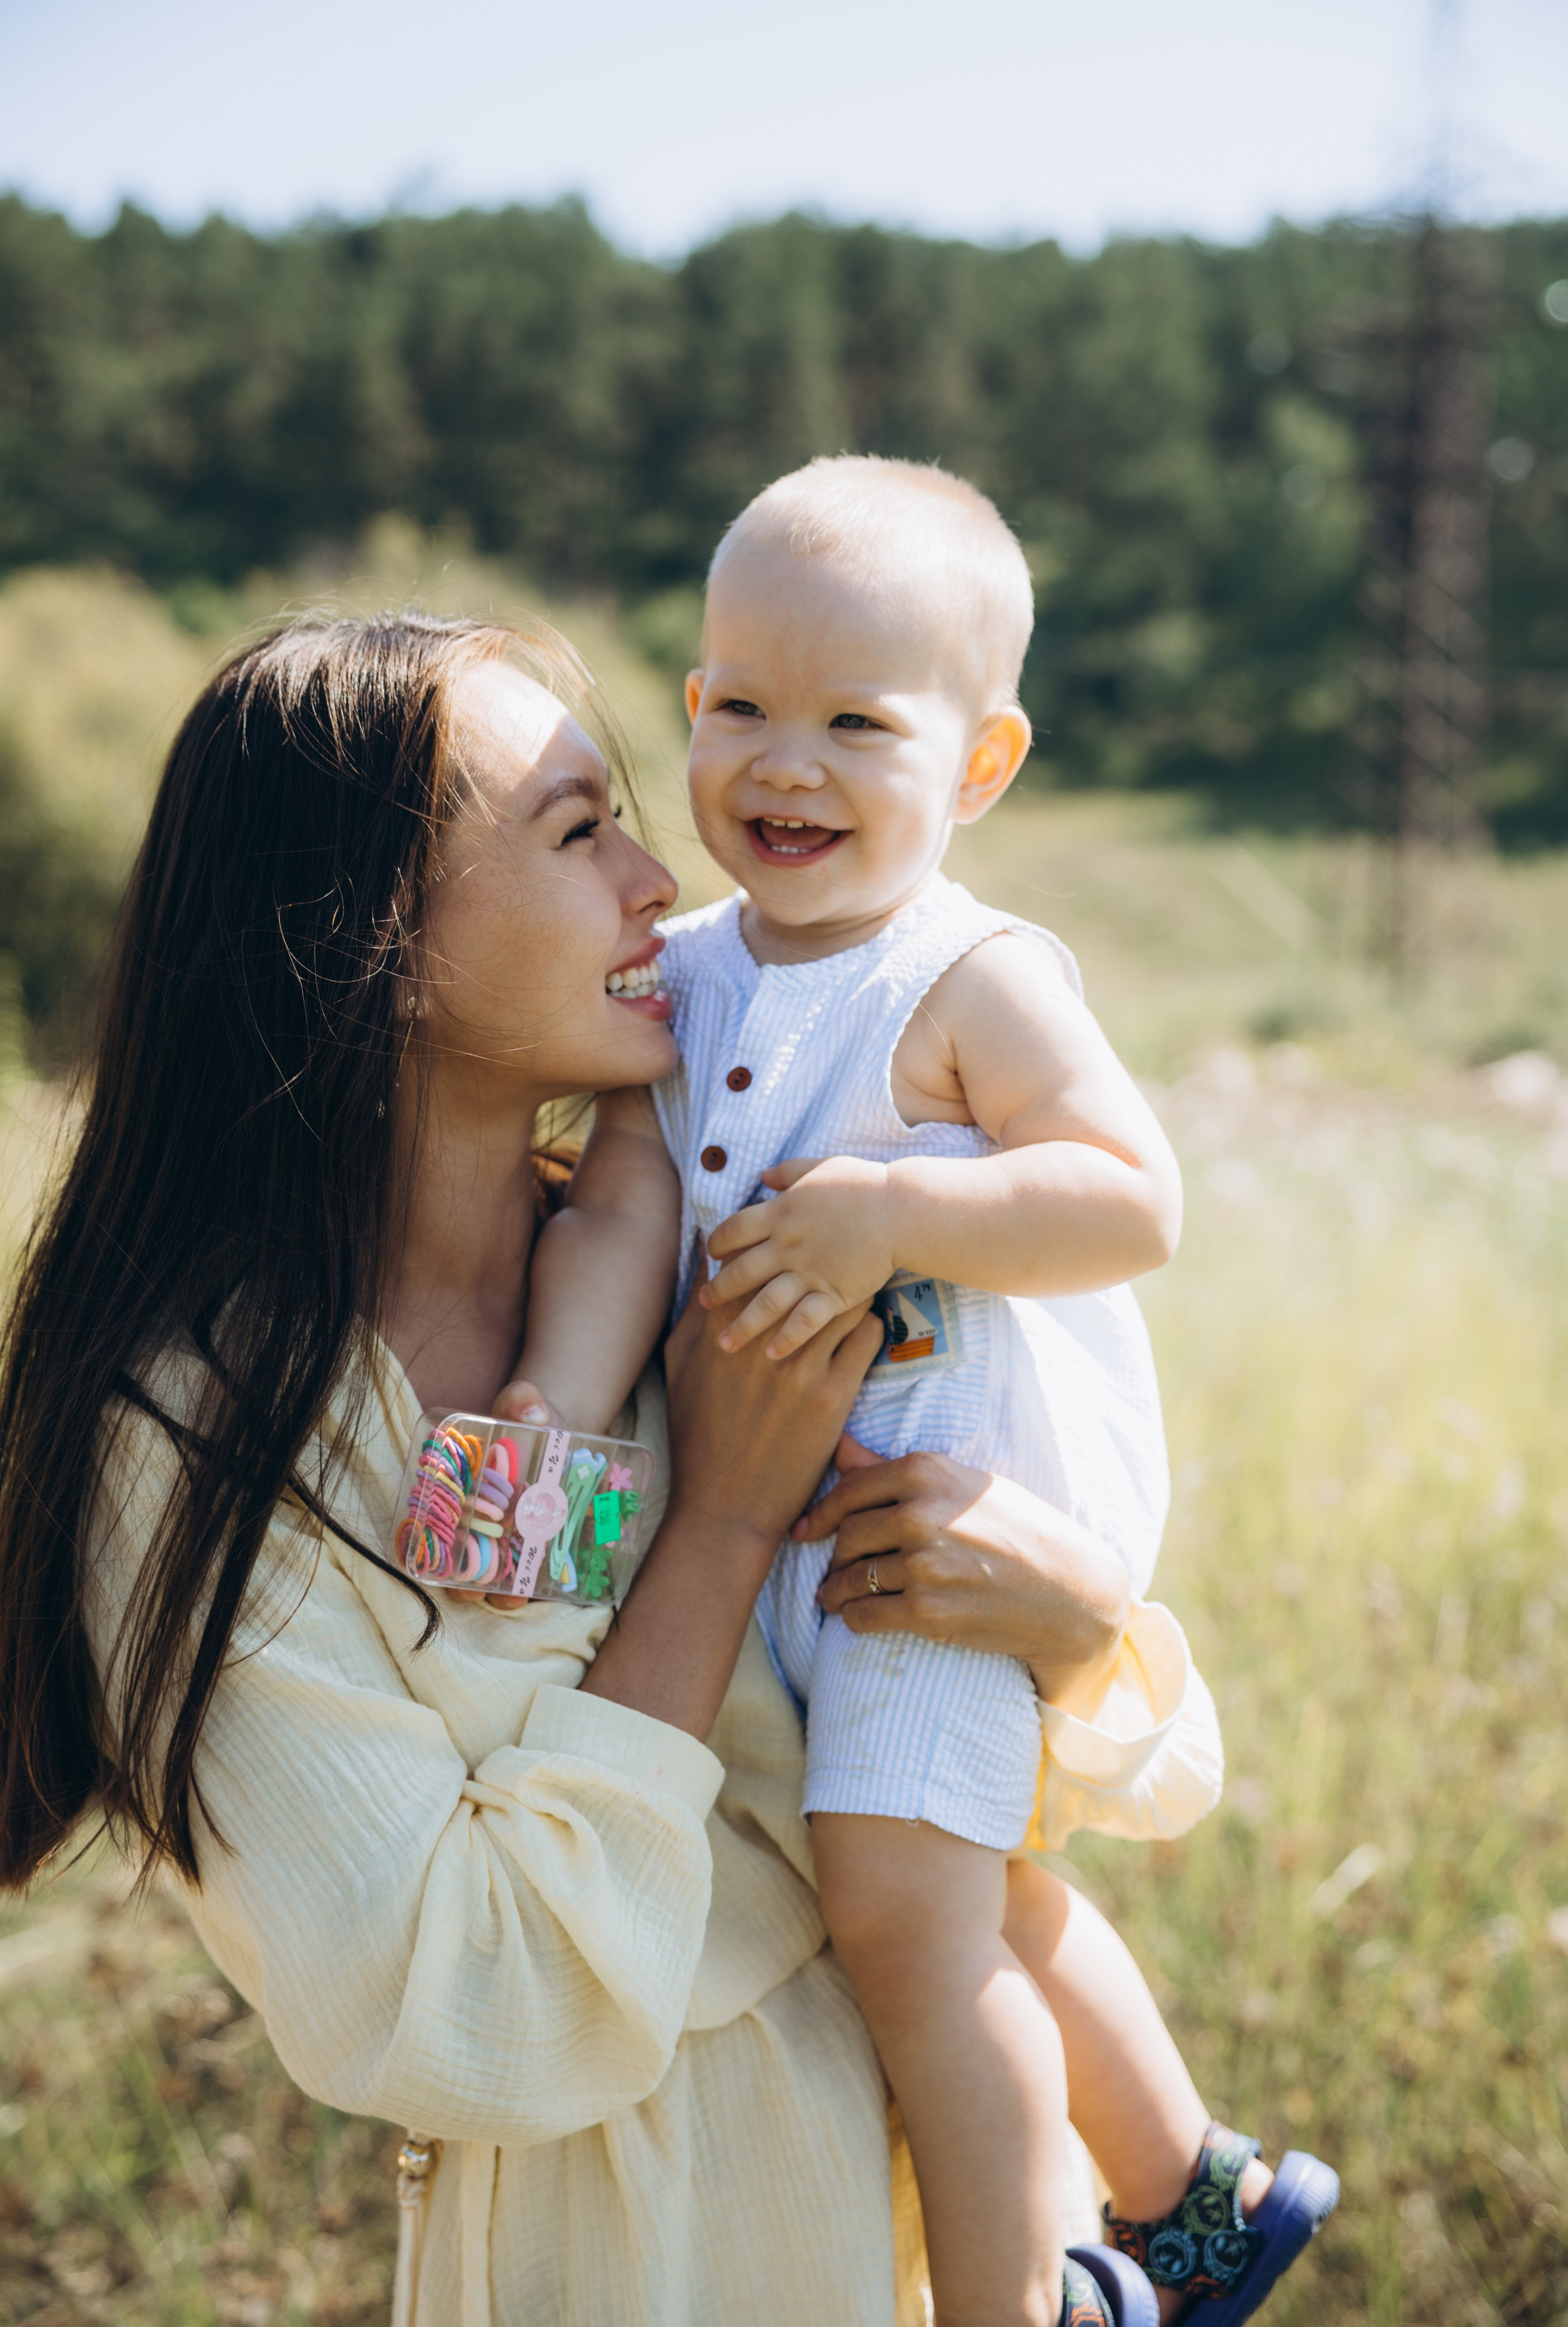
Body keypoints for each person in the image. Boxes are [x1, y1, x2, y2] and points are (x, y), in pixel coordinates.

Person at [0, 614, 1209, 2327]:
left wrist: (1083, 1627)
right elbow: (472, 2011)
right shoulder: (199, 1435)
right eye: (579, 833)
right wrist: (715, 1523)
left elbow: (1023, 1788)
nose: (664, 883)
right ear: (379, 939)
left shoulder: (730, 1288)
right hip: (631, 2265)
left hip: (955, 2225)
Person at [505, 460, 1338, 2327]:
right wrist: (554, 1421)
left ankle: (1016, 2303)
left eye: (855, 724)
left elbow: (1135, 1198)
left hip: (929, 1537)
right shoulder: (686, 978)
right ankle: (1195, 2200)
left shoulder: (970, 977)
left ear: (979, 767)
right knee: (962, 1891)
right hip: (770, 1543)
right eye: (736, 704)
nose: (780, 761)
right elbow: (631, 1204)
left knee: (902, 1916)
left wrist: (901, 1201)